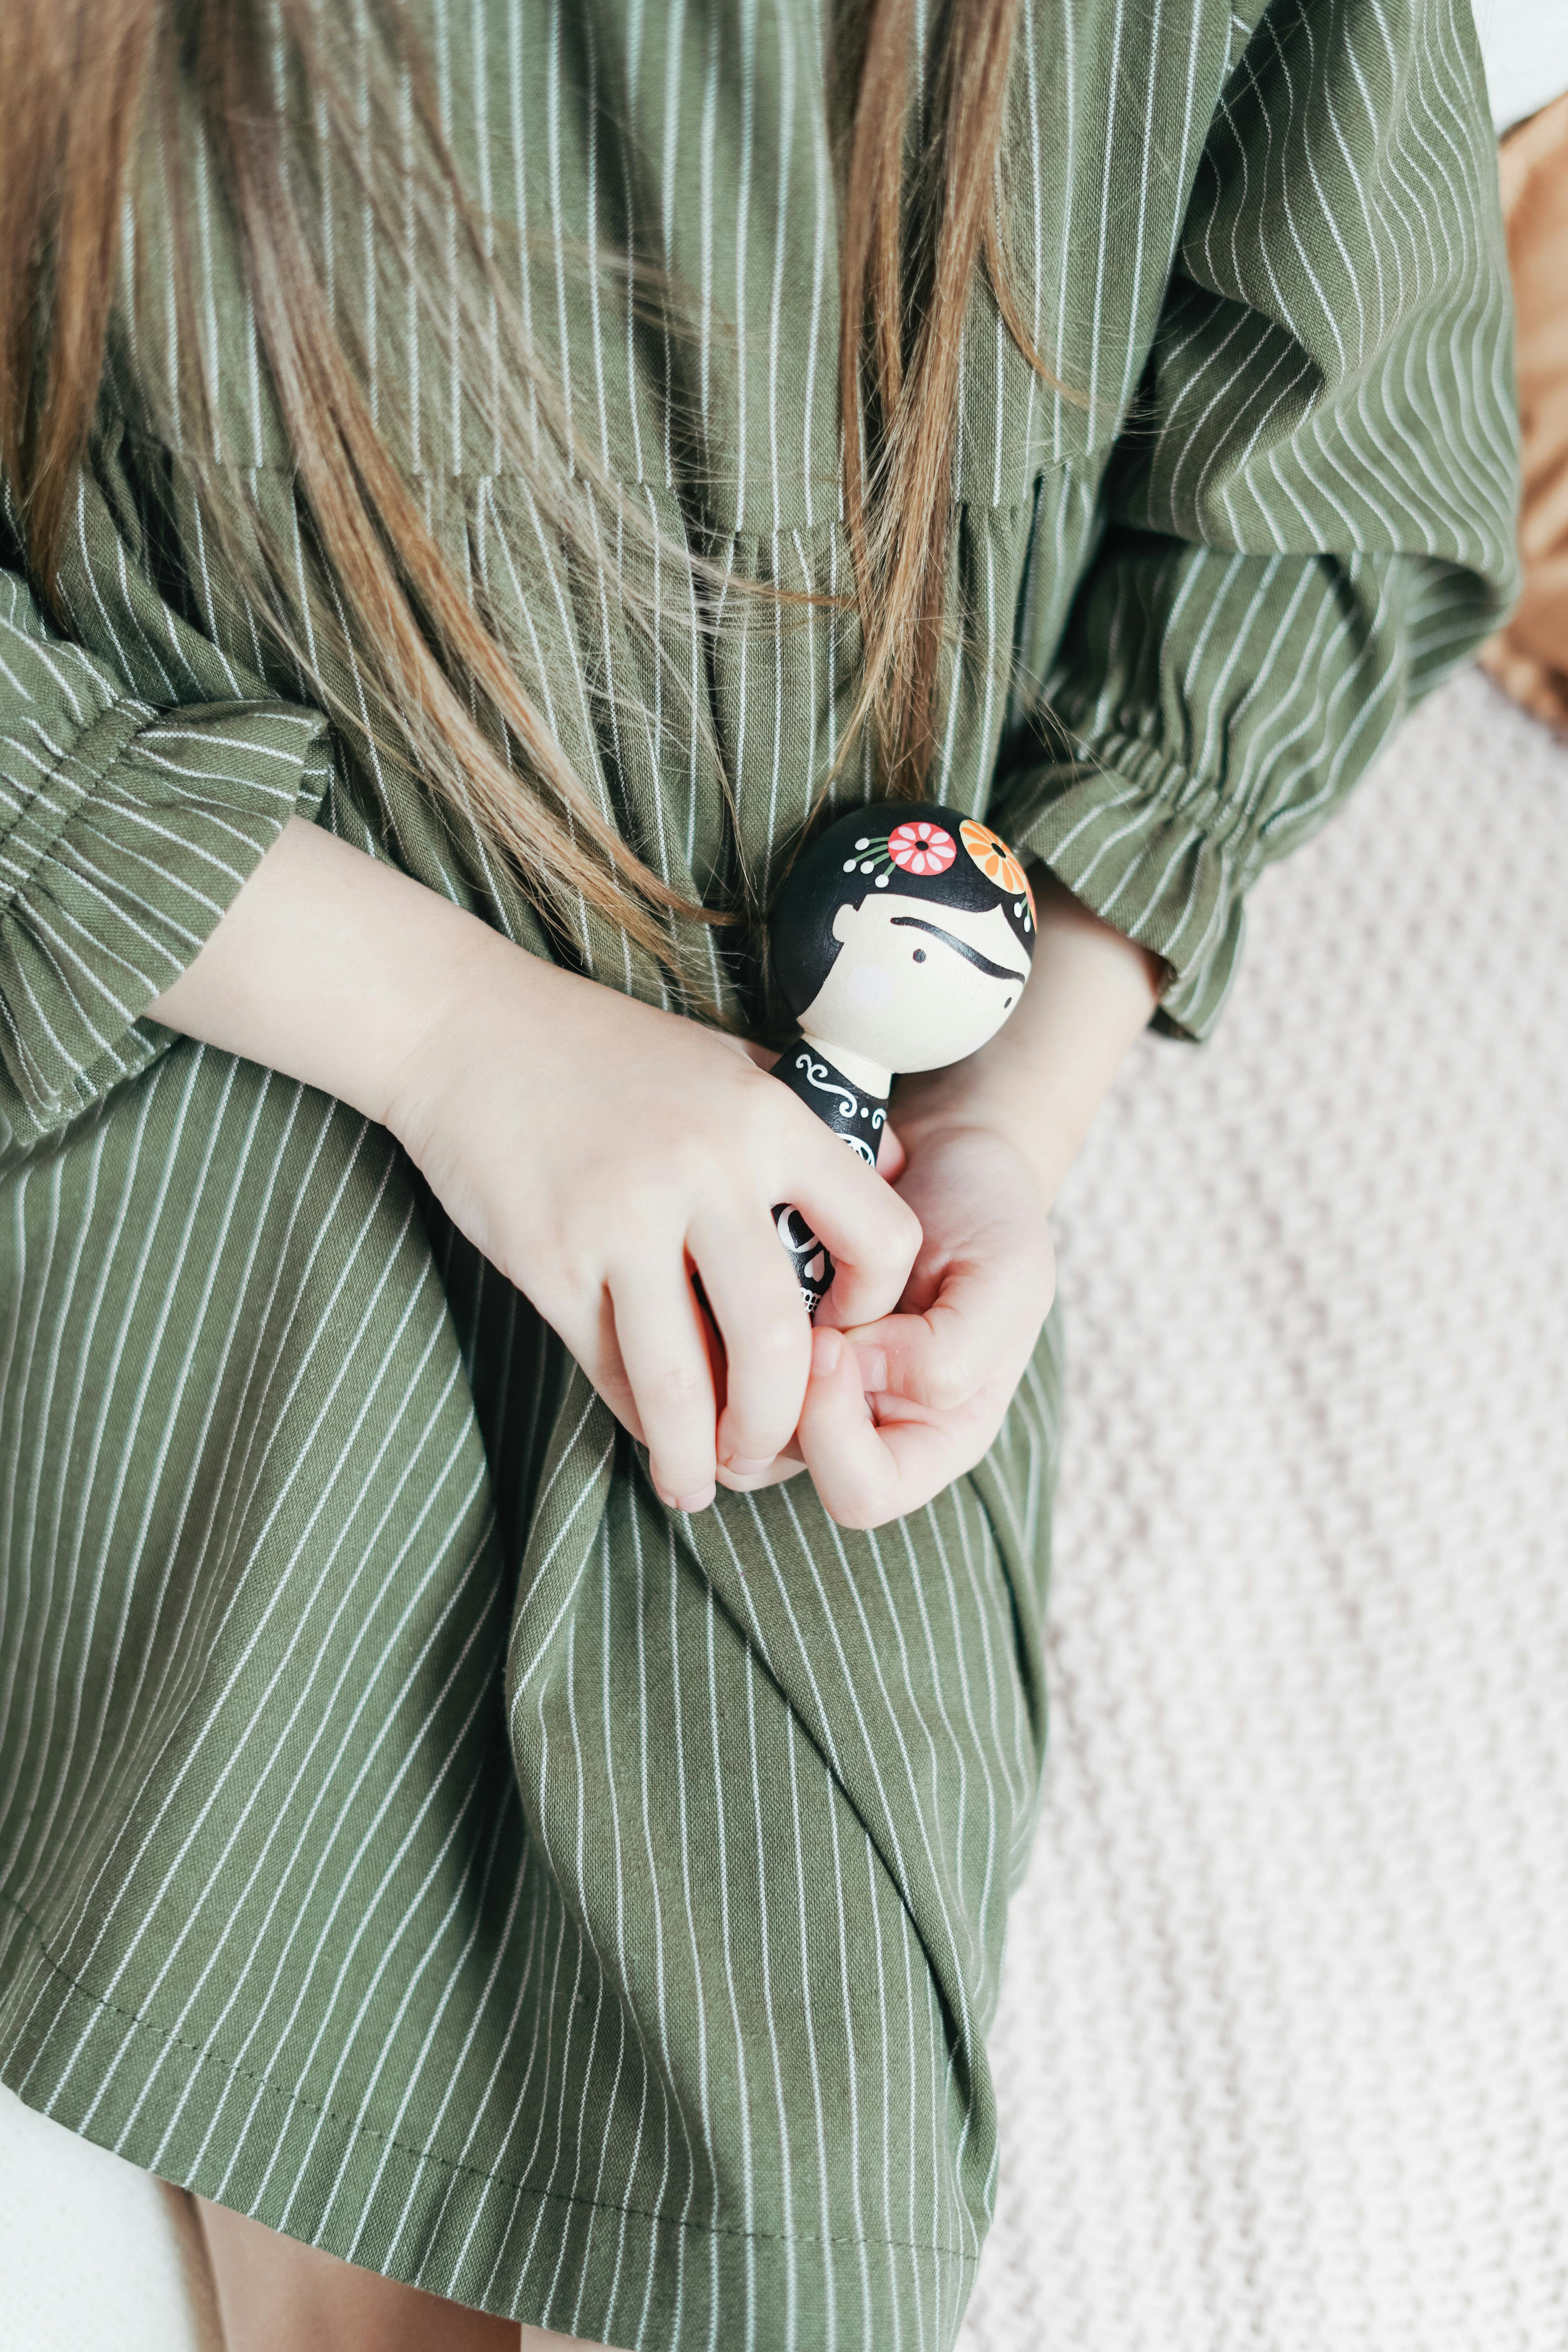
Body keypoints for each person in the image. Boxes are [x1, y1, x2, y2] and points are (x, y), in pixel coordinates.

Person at [0, 2, 1516, 2348]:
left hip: (810, 1169)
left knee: (765, 2171)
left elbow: (1322, 436)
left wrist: (1004, 1130)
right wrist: (445, 1034)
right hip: (175, 985)